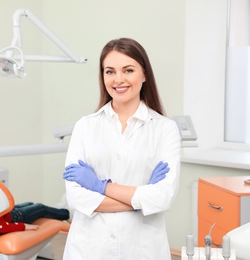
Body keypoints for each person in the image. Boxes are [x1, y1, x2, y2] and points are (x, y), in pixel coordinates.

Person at [62, 38, 181, 259]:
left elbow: (163, 197)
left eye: (128, 70)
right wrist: (141, 199)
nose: (118, 79)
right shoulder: (85, 126)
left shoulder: (165, 129)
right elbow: (77, 198)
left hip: (142, 248)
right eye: (110, 71)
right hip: (90, 248)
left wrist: (99, 186)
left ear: (144, 75)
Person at [0, 146, 70, 234]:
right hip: (13, 218)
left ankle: (59, 210)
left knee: (29, 203)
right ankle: (68, 214)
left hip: (5, 214)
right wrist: (24, 226)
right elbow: (0, 227)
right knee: (40, 208)